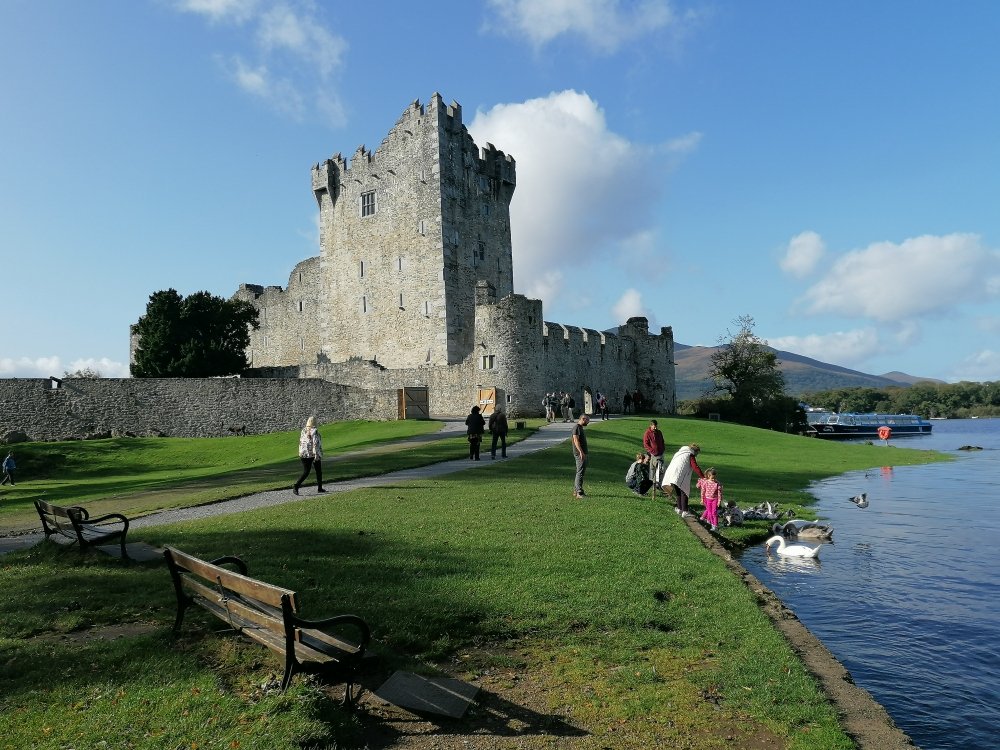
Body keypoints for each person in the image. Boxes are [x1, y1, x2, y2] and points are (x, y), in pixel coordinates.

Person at [662, 443, 705, 518]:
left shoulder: (679, 453)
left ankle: (679, 508)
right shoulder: (690, 455)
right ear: (695, 451)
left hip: (672, 474)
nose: (697, 455)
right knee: (684, 492)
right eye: (697, 453)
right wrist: (703, 477)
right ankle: (685, 511)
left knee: (678, 492)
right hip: (679, 475)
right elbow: (695, 467)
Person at [293, 417, 325, 495]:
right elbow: (315, 443)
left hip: (303, 454)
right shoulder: (315, 431)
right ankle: (296, 486)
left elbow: (301, 442)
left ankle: (297, 486)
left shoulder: (303, 430)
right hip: (313, 454)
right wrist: (316, 454)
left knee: (306, 471)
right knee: (318, 471)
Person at [642, 419, 666, 497]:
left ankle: (660, 485)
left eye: (656, 426)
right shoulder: (647, 433)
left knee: (662, 469)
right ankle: (653, 485)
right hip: (653, 455)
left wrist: (662, 449)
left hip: (661, 453)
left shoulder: (659, 432)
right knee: (653, 469)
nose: (655, 428)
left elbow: (662, 441)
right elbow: (646, 444)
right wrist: (652, 451)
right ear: (651, 425)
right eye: (654, 426)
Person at [697, 467, 723, 532]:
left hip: (715, 499)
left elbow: (719, 493)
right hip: (708, 499)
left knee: (714, 513)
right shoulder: (706, 483)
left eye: (714, 478)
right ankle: (712, 524)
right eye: (712, 478)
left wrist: (719, 501)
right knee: (710, 512)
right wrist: (702, 499)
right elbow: (703, 491)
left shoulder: (717, 484)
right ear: (708, 476)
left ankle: (715, 525)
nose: (713, 479)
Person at [571, 413, 590, 499]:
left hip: (582, 453)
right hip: (579, 454)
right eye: (587, 420)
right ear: (583, 419)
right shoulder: (577, 428)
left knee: (580, 471)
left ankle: (576, 490)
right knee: (580, 472)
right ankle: (579, 492)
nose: (588, 422)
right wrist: (581, 453)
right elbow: (576, 441)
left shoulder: (580, 428)